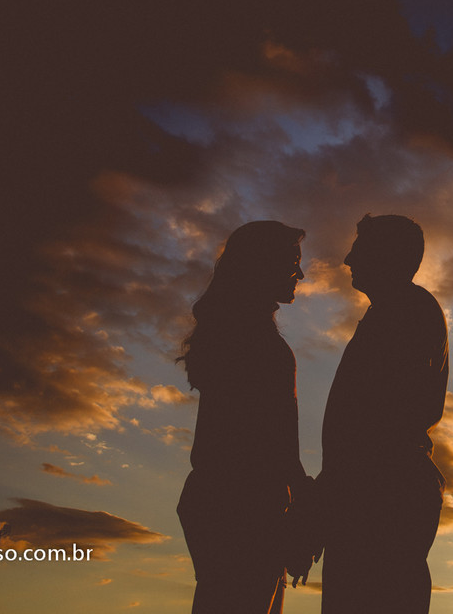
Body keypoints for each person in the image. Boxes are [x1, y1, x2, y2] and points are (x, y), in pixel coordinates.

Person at [177, 221, 313, 614]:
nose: (301, 274)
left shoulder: (232, 333)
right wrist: (301, 506)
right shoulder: (256, 342)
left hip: (219, 499)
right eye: (293, 262)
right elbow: (274, 443)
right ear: (264, 265)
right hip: (246, 508)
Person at [316, 214, 449, 613]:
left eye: (359, 249)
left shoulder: (404, 313)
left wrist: (329, 494)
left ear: (386, 255)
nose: (347, 258)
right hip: (373, 492)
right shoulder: (395, 311)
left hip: (379, 497)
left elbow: (376, 422)